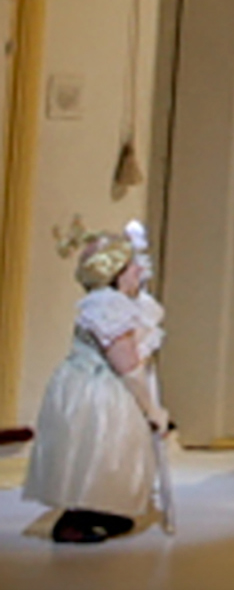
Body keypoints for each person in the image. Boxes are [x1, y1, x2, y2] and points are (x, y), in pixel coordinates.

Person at [25, 221, 169, 544]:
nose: (139, 271)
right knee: (94, 451)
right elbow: (127, 365)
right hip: (96, 392)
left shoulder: (121, 302)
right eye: (132, 266)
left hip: (102, 388)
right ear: (115, 271)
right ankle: (74, 520)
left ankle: (100, 511)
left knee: (111, 455)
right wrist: (152, 410)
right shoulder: (107, 306)